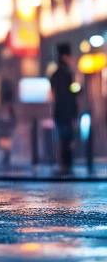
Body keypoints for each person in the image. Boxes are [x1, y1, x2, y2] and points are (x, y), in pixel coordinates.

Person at [49, 43, 78, 175]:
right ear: (65, 56)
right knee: (67, 139)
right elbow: (73, 92)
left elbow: (54, 94)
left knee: (62, 138)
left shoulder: (54, 74)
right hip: (67, 111)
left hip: (59, 111)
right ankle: (67, 165)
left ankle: (63, 165)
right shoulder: (68, 73)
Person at [0, 81, 17, 166]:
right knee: (5, 141)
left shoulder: (7, 106)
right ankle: (6, 156)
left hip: (5, 125)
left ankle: (6, 156)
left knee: (5, 141)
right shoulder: (9, 106)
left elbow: (11, 117)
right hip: (5, 125)